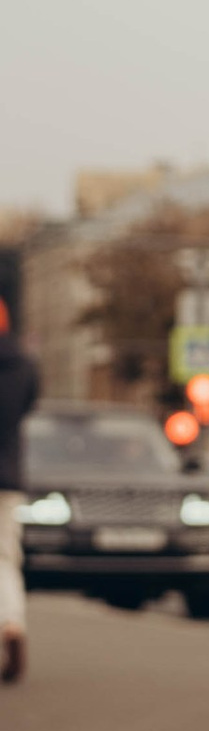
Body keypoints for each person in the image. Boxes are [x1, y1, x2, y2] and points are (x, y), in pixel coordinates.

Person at [0, 292, 38, 686]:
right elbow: (27, 409)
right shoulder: (24, 366)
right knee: (5, 559)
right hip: (6, 479)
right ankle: (11, 624)